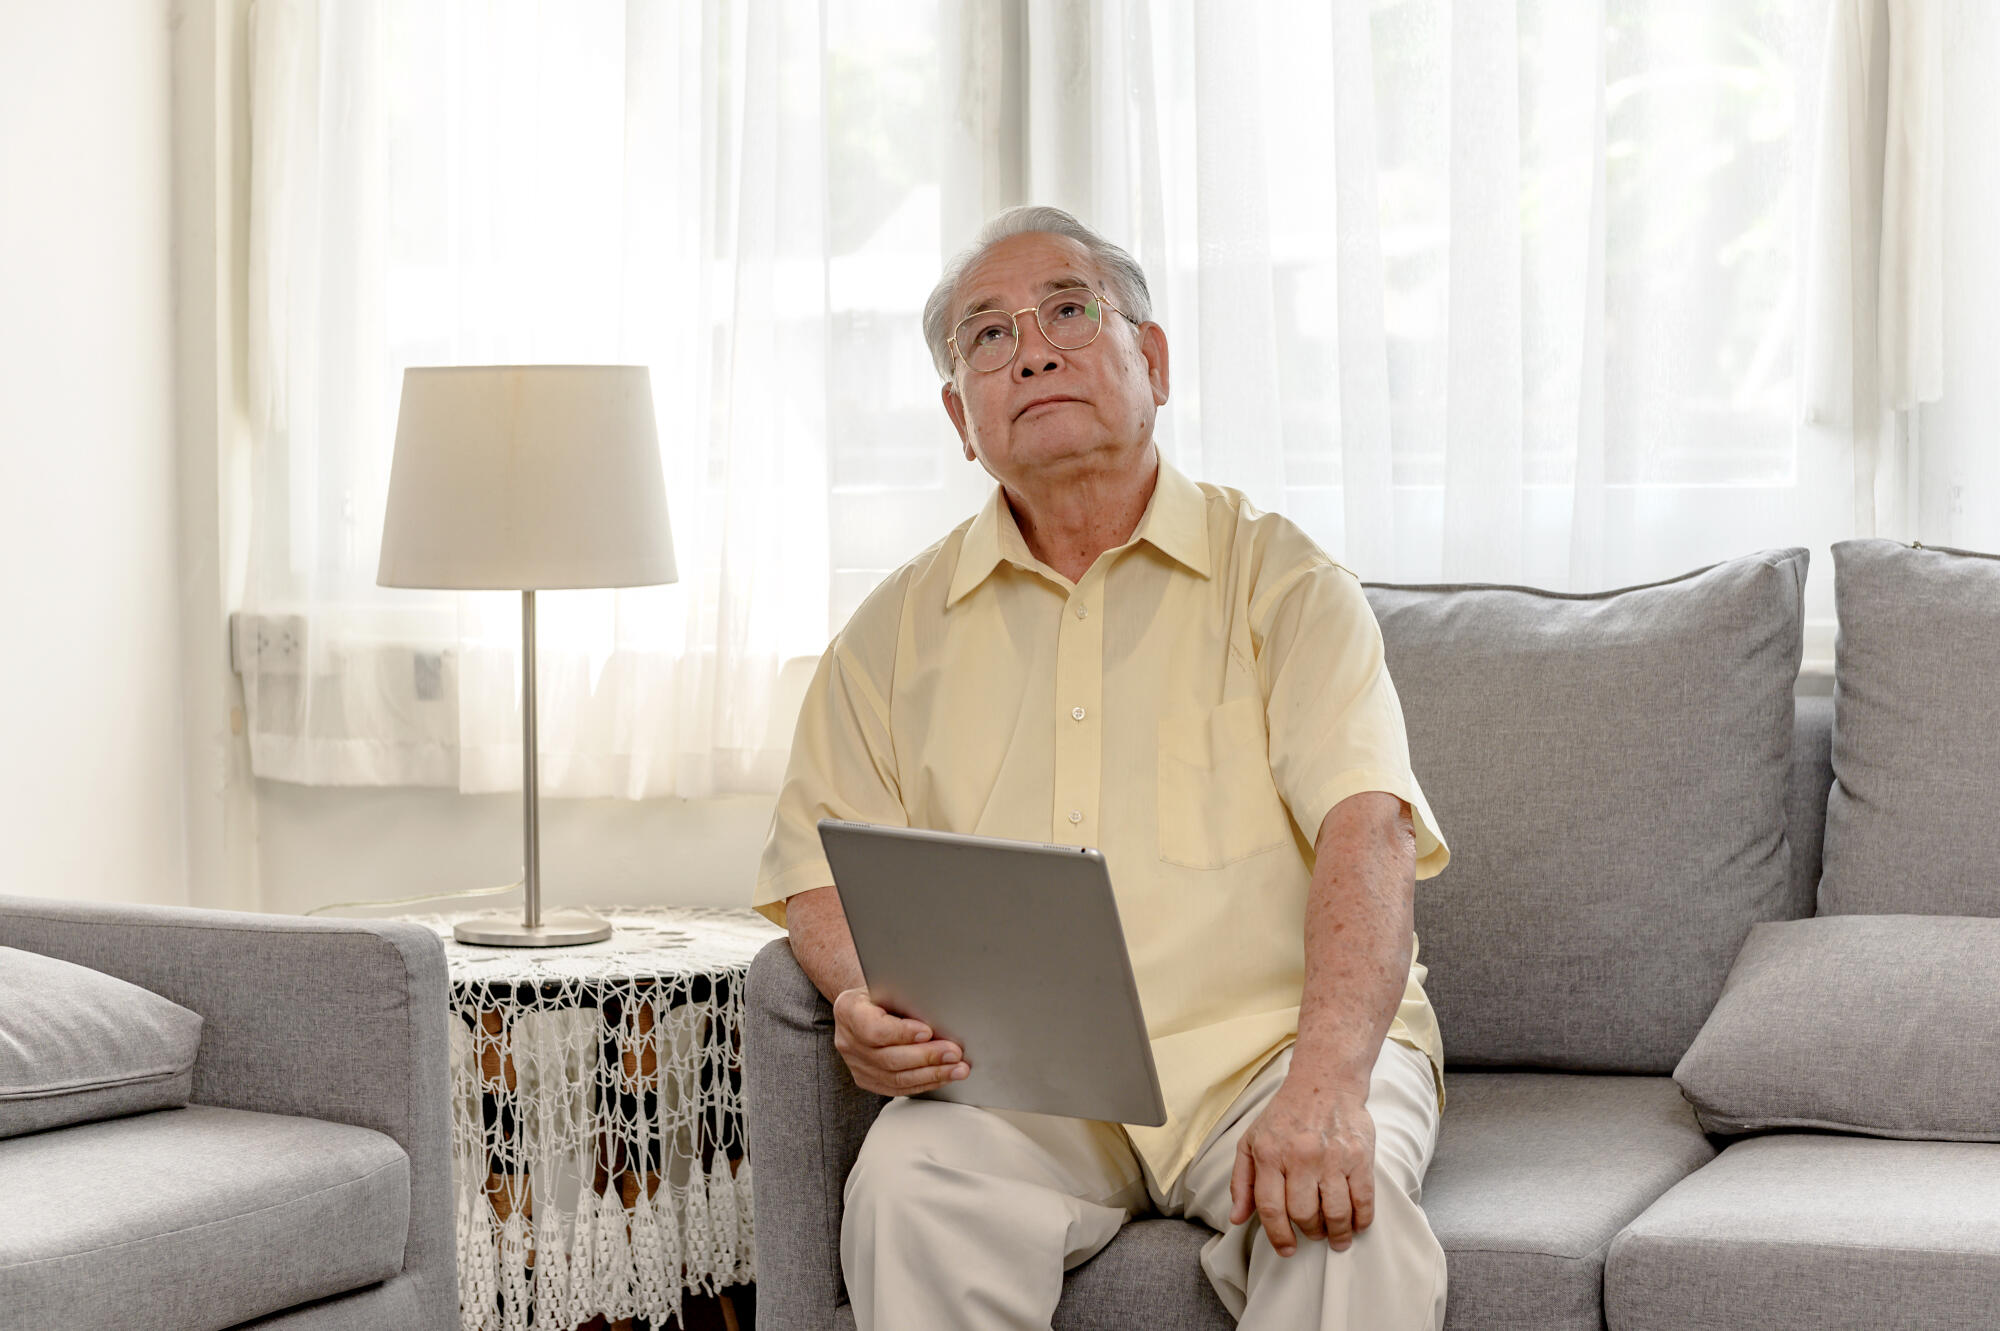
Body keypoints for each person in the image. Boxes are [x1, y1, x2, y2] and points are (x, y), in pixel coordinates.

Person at [753, 205, 1451, 1330]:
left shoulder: (1282, 582)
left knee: (1340, 1230)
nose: (1028, 349)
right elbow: (817, 876)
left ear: (1153, 359)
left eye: (1067, 312)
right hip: (1024, 1074)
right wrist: (852, 994)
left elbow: (1366, 833)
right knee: (904, 1185)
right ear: (957, 415)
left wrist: (1327, 1081)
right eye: (985, 337)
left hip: (1268, 1052)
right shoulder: (885, 634)